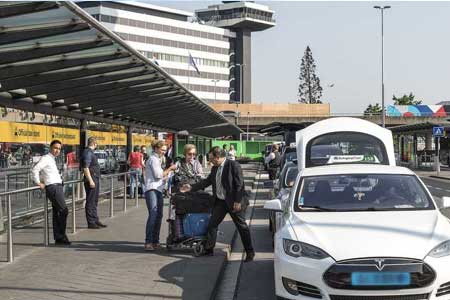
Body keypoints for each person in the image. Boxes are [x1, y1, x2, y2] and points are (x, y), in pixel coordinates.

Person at [180, 146, 255, 262]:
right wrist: (191, 187)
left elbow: (240, 185)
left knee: (241, 227)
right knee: (212, 224)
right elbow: (207, 181)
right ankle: (208, 249)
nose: (210, 161)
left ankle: (250, 252)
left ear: (218, 157)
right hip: (221, 202)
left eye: (211, 159)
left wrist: (238, 201)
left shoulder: (233, 165)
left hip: (235, 202)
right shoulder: (215, 168)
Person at [32, 140, 71, 245]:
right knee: (64, 210)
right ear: (50, 148)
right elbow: (35, 169)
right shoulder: (46, 158)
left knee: (57, 213)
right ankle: (61, 236)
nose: (57, 150)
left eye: (59, 149)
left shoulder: (52, 159)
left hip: (57, 186)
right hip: (53, 187)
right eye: (55, 148)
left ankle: (58, 237)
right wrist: (38, 182)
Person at [144, 140, 177, 251]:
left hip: (157, 189)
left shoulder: (157, 159)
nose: (164, 152)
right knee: (154, 215)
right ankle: (149, 242)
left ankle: (155, 241)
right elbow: (158, 175)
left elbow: (159, 177)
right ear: (156, 149)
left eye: (165, 150)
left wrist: (165, 178)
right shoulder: (153, 159)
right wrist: (170, 169)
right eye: (162, 150)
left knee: (158, 216)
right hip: (152, 189)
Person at [81, 137, 107, 229]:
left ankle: (95, 219)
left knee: (94, 200)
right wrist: (90, 180)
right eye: (97, 143)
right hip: (91, 179)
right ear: (94, 143)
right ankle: (91, 222)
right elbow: (85, 167)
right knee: (91, 201)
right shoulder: (88, 152)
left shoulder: (89, 152)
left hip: (94, 178)